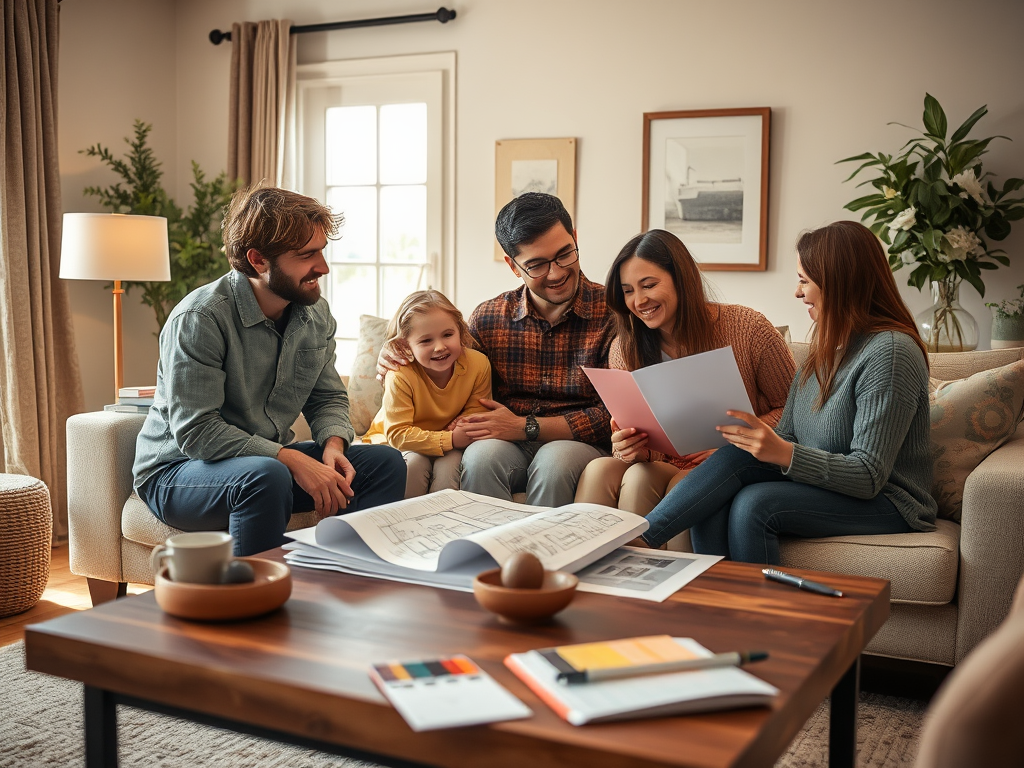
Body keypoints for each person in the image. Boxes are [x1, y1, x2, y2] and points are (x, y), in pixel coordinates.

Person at [638, 220, 938, 563]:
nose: (797, 293)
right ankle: (689, 581)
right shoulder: (825, 349)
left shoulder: (891, 352)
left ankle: (646, 544)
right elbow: (791, 434)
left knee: (756, 504)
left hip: (889, 501)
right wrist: (759, 439)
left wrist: (782, 452)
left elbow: (869, 475)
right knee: (731, 463)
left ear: (838, 284)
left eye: (804, 281)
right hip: (829, 487)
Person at [133, 185, 407, 557]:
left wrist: (332, 446)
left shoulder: (315, 313)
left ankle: (349, 578)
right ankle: (255, 600)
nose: (323, 268)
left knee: (384, 463)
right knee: (267, 474)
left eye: (322, 251)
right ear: (258, 259)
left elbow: (327, 397)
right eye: (307, 255)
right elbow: (196, 432)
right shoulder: (200, 319)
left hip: (264, 466)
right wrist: (290, 458)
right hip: (180, 474)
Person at [378, 192, 615, 506]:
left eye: (564, 254)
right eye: (536, 265)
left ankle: (542, 554)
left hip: (574, 443)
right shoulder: (489, 318)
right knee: (479, 457)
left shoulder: (615, 315)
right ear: (513, 266)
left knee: (554, 463)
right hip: (504, 441)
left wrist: (525, 426)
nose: (556, 273)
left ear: (574, 238)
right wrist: (394, 353)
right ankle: (484, 550)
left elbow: (613, 414)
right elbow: (448, 366)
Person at [575, 229, 795, 521]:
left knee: (670, 483)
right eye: (628, 291)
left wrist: (733, 443)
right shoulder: (625, 348)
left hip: (736, 461)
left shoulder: (748, 328)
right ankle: (581, 562)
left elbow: (795, 412)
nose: (638, 301)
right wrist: (629, 449)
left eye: (649, 285)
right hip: (668, 462)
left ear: (682, 280)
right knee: (599, 469)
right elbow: (643, 449)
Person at [363, 290, 492, 497]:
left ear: (460, 330)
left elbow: (476, 412)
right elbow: (398, 434)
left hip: (449, 438)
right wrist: (450, 439)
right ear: (405, 345)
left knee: (451, 465)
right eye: (425, 341)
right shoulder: (399, 374)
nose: (440, 347)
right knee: (415, 464)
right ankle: (407, 524)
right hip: (396, 442)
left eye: (448, 335)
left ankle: (443, 523)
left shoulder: (478, 364)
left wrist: (461, 428)